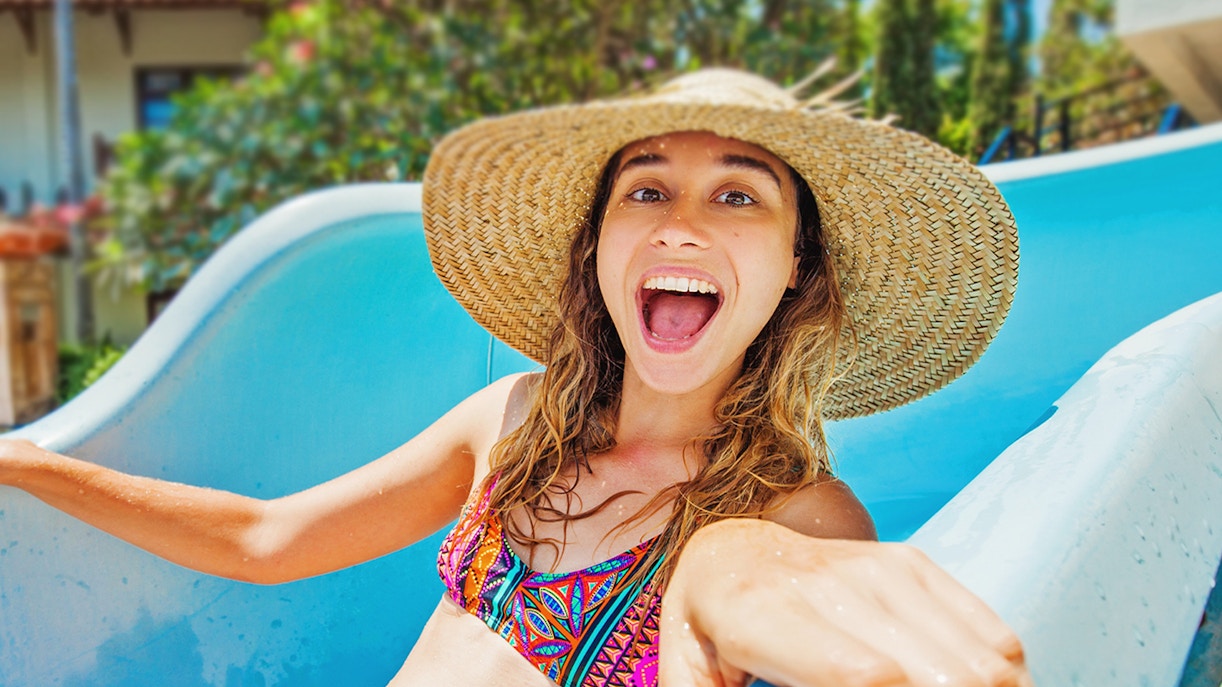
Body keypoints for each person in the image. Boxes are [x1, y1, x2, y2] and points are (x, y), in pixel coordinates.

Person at [0, 69, 1027, 686]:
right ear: (598, 243)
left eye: (738, 196)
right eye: (648, 187)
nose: (680, 221)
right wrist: (31, 464)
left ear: (797, 266)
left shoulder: (801, 519)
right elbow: (265, 542)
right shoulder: (515, 420)